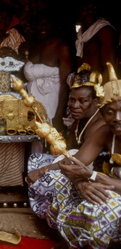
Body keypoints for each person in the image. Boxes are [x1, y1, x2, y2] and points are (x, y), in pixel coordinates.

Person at [44, 62, 121, 249]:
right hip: (108, 185)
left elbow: (90, 173)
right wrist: (81, 182)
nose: (117, 118)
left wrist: (91, 176)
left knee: (99, 205)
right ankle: (71, 239)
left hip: (114, 189)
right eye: (110, 112)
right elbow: (71, 164)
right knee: (64, 183)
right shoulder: (105, 133)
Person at [26, 63, 105, 219]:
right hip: (74, 163)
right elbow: (68, 150)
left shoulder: (100, 125)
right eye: (72, 100)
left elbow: (78, 161)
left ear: (96, 102)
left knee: (48, 175)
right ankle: (49, 212)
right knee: (35, 159)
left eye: (82, 101)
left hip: (87, 171)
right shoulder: (79, 120)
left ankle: (59, 216)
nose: (75, 106)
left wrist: (44, 170)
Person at [23, 10, 73, 133]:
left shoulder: (61, 46)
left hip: (53, 101)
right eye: (40, 24)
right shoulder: (32, 46)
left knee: (50, 137)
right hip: (32, 101)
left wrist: (59, 115)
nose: (43, 27)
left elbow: (65, 85)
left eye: (47, 24)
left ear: (53, 25)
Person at [75, 0, 117, 84]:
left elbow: (109, 67)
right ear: (79, 11)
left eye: (94, 8)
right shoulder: (80, 33)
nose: (90, 12)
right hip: (83, 83)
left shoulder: (104, 31)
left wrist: (101, 93)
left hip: (98, 85)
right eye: (86, 8)